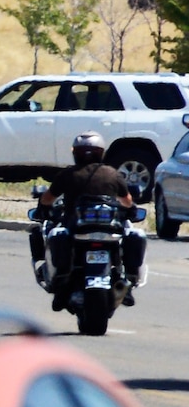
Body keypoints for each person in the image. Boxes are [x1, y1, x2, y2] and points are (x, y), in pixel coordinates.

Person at [33, 131, 143, 308]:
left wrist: (43, 209)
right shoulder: (112, 174)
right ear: (101, 153)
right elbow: (127, 201)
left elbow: (47, 198)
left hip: (77, 228)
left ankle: (61, 287)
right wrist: (130, 210)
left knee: (55, 235)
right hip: (110, 230)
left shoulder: (68, 174)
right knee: (133, 236)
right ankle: (127, 285)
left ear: (75, 153)